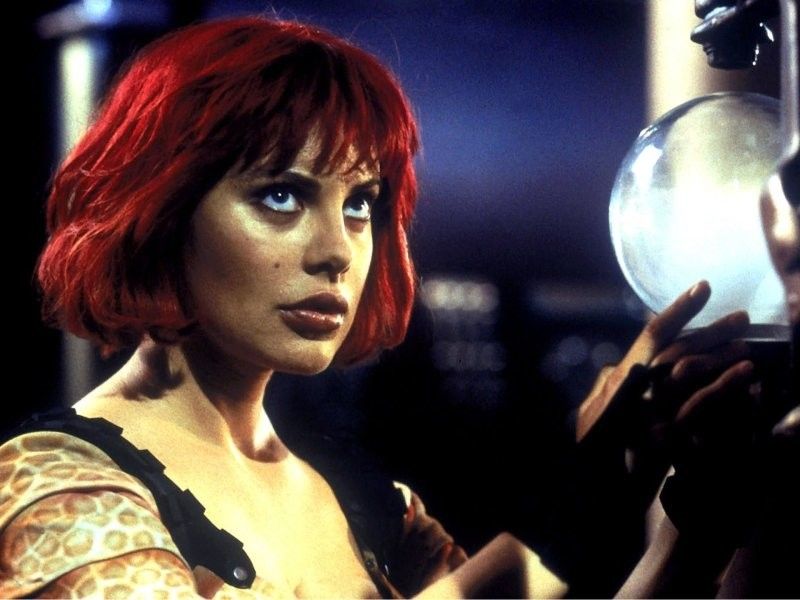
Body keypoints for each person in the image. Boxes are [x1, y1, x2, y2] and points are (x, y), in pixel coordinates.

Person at [0, 15, 759, 599]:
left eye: (361, 202)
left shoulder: (371, 503)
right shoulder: (52, 486)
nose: (338, 250)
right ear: (158, 210)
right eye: (281, 195)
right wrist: (580, 494)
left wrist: (693, 526)